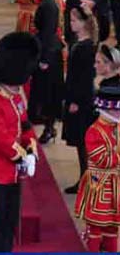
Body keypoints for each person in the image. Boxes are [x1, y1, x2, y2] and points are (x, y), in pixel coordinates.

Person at [0, 31, 40, 253]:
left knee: (10, 222)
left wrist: (31, 150)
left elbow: (26, 126)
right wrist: (23, 156)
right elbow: (2, 140)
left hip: (13, 173)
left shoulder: (15, 97)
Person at [74, 85, 120, 252]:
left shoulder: (116, 128)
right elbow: (103, 160)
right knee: (96, 228)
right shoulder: (94, 131)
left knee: (113, 227)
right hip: (99, 186)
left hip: (115, 186)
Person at [62, 8, 98, 194]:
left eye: (75, 21)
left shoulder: (85, 48)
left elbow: (84, 77)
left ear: (84, 23)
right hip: (78, 97)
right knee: (80, 142)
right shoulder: (81, 44)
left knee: (82, 142)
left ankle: (86, 180)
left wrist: (75, 100)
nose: (71, 23)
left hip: (81, 100)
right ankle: (85, 178)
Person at [28, 0, 64, 144]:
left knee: (47, 94)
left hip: (49, 56)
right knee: (44, 93)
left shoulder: (49, 6)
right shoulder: (47, 2)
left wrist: (44, 60)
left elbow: (48, 33)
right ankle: (48, 126)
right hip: (46, 52)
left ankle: (49, 127)